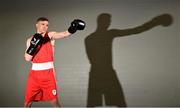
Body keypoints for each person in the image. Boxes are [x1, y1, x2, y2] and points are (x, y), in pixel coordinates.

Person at [24, 17, 85, 107]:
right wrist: (33, 46)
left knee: (54, 102)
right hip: (34, 75)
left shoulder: (50, 35)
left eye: (47, 25)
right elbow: (27, 58)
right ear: (37, 25)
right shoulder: (29, 40)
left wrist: (73, 28)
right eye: (43, 24)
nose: (45, 27)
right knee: (27, 102)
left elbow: (64, 34)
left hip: (48, 74)